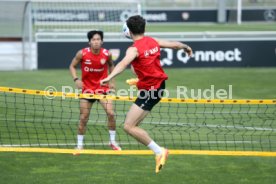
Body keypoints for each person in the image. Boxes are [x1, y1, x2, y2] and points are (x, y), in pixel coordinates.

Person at [100, 15, 193, 173]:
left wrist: (108, 77)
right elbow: (175, 45)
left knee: (129, 126)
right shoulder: (152, 41)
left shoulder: (133, 49)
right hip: (158, 86)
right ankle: (158, 150)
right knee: (134, 123)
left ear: (128, 31)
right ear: (144, 28)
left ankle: (159, 151)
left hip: (151, 90)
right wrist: (185, 47)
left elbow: (123, 63)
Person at [69, 30, 121, 151]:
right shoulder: (82, 53)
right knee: (83, 117)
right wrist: (76, 79)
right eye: (94, 39)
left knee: (111, 114)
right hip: (86, 89)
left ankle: (112, 142)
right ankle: (79, 145)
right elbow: (72, 66)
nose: (96, 42)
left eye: (98, 39)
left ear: (102, 41)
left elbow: (111, 65)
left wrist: (112, 80)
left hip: (102, 89)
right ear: (89, 42)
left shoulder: (107, 54)